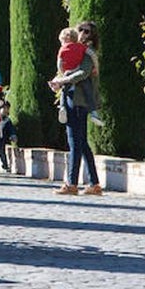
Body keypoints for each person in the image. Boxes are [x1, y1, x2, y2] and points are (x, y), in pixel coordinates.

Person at [48, 29, 101, 196]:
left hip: (78, 101)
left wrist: (62, 80)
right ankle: (94, 183)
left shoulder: (86, 54)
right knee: (82, 143)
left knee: (74, 142)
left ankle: (72, 184)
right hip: (72, 98)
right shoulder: (78, 53)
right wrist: (59, 83)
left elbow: (82, 74)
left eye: (83, 32)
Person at [77, 21, 106, 128]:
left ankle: (94, 113)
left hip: (79, 95)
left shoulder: (88, 48)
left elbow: (93, 58)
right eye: (80, 29)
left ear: (91, 35)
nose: (82, 33)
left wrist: (96, 67)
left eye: (86, 31)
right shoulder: (71, 45)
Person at [0, 99, 17, 172]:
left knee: (2, 152)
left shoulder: (7, 120)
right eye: (4, 108)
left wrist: (13, 135)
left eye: (7, 109)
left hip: (1, 139)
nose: (6, 111)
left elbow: (11, 129)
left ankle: (5, 165)